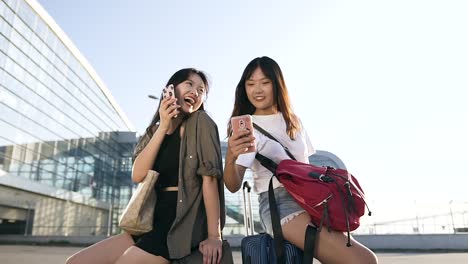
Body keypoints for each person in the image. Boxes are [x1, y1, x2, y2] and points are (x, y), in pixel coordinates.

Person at [224, 56, 378, 264]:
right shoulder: (250, 127)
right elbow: (233, 185)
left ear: (277, 84)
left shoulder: (293, 121)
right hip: (280, 206)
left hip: (311, 202)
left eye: (265, 82)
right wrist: (232, 155)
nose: (257, 90)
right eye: (250, 84)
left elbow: (305, 166)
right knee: (364, 261)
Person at [67, 68, 227, 264]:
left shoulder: (201, 122)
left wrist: (214, 236)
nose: (195, 92)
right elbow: (138, 174)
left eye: (201, 90)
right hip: (148, 221)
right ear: (170, 89)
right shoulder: (153, 131)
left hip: (179, 222)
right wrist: (163, 125)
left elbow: (209, 180)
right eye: (189, 84)